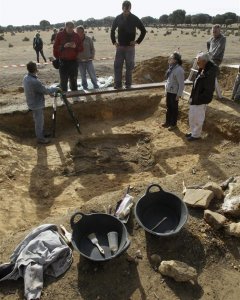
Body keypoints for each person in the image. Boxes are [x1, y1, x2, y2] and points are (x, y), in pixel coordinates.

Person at [110, 0, 146, 89]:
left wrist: (137, 41)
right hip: (120, 47)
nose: (126, 10)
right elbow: (112, 30)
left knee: (129, 67)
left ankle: (128, 85)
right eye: (124, 9)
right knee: (117, 66)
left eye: (128, 8)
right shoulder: (118, 18)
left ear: (130, 8)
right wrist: (114, 42)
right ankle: (117, 84)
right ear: (122, 8)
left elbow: (143, 30)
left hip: (130, 47)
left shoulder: (134, 18)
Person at [23, 61, 60, 144]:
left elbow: (41, 89)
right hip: (36, 104)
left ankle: (42, 134)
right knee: (39, 122)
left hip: (32, 102)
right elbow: (45, 90)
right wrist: (56, 89)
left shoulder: (26, 77)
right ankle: (40, 138)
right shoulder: (34, 81)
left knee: (40, 120)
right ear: (35, 69)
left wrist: (48, 91)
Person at [186, 52, 218, 141]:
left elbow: (208, 88)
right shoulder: (202, 69)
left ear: (204, 61)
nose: (197, 63)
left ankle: (196, 135)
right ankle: (193, 132)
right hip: (196, 97)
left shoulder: (209, 73)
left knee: (198, 118)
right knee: (192, 116)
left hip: (201, 99)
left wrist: (200, 98)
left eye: (198, 61)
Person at [53, 21, 83, 92]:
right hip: (63, 62)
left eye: (72, 28)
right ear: (65, 27)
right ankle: (64, 99)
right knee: (63, 81)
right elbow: (55, 47)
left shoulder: (76, 35)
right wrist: (63, 46)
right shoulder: (60, 35)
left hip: (73, 62)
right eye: (69, 28)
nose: (71, 30)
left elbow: (81, 48)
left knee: (74, 80)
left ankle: (75, 97)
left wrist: (75, 47)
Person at [162, 52, 185, 131]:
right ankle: (167, 122)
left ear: (175, 60)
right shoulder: (171, 68)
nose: (169, 59)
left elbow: (181, 84)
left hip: (174, 93)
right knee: (168, 107)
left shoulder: (179, 70)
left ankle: (173, 124)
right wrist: (166, 91)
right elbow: (168, 80)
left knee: (174, 108)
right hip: (169, 91)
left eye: (171, 58)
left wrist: (178, 95)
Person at [76, 25, 99, 90]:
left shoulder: (88, 39)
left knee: (92, 74)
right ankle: (85, 87)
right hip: (80, 61)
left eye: (79, 31)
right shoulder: (75, 40)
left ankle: (96, 86)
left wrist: (92, 55)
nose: (77, 33)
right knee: (83, 76)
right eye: (77, 31)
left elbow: (92, 49)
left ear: (83, 32)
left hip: (88, 60)